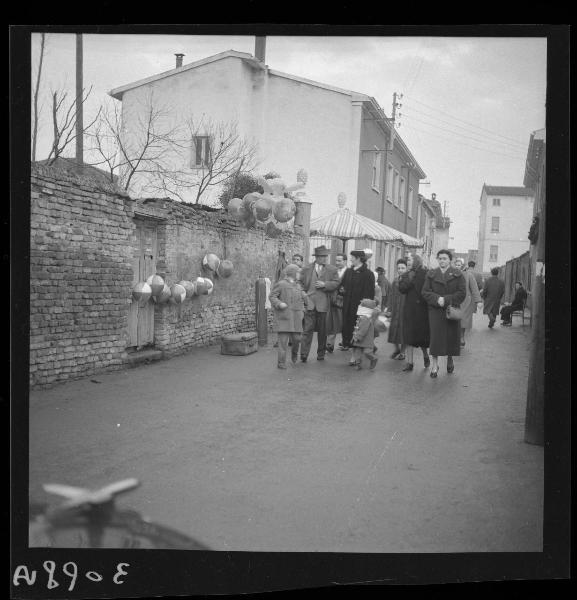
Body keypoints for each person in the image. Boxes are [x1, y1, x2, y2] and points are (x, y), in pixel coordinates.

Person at [421, 249, 466, 377]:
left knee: (451, 336)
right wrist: (437, 299)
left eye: (445, 258)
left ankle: (450, 358)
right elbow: (425, 292)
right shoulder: (431, 274)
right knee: (435, 338)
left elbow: (462, 293)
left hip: (451, 310)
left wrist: (445, 299)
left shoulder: (458, 274)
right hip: (435, 311)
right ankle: (435, 366)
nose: (442, 261)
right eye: (440, 258)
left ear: (450, 260)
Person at [299, 245, 340, 362]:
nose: (324, 258)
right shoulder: (307, 269)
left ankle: (321, 354)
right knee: (307, 330)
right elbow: (300, 283)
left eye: (325, 256)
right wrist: (302, 293)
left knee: (323, 331)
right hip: (310, 303)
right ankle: (304, 354)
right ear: (316, 257)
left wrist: (325, 284)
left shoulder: (332, 269)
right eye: (322, 256)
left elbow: (337, 283)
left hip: (324, 305)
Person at [269, 264, 307, 369]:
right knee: (283, 342)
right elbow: (272, 296)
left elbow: (301, 300)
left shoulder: (298, 286)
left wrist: (302, 310)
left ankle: (294, 353)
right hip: (284, 317)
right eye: (298, 272)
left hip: (296, 318)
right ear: (293, 273)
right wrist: (279, 303)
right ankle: (281, 363)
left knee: (297, 339)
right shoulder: (281, 284)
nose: (300, 274)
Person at [398, 253, 430, 371]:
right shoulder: (407, 274)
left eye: (410, 259)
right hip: (410, 309)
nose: (408, 261)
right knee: (409, 336)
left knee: (421, 337)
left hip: (422, 310)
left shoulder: (426, 273)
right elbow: (401, 289)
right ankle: (410, 363)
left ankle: (425, 355)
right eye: (407, 260)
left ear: (416, 260)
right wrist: (408, 279)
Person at [340, 250, 376, 354]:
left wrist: (365, 309)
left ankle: (355, 356)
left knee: (358, 330)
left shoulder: (368, 274)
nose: (350, 259)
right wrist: (342, 290)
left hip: (360, 308)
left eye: (352, 257)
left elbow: (370, 294)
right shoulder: (348, 272)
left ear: (359, 259)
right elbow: (342, 285)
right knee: (347, 329)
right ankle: (352, 350)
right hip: (347, 307)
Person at [454, 257, 483, 347]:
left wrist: (478, 301)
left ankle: (462, 337)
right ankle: (454, 337)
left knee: (463, 320)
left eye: (459, 265)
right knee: (454, 319)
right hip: (454, 301)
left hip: (466, 302)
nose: (457, 266)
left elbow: (474, 288)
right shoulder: (451, 274)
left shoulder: (469, 275)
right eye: (456, 265)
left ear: (462, 266)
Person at [385, 258, 407, 360]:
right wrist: (389, 308)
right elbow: (391, 295)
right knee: (393, 330)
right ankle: (396, 349)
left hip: (405, 310)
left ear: (406, 269)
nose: (400, 270)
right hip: (395, 309)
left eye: (403, 268)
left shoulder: (409, 282)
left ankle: (402, 352)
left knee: (403, 332)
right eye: (399, 268)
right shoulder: (395, 281)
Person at [325, 253, 348, 353]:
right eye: (336, 260)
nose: (337, 262)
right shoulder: (333, 271)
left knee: (345, 322)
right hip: (333, 300)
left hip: (345, 301)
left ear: (345, 261)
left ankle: (345, 342)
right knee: (332, 322)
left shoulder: (349, 272)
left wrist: (345, 290)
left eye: (340, 260)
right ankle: (330, 344)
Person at [350, 298, 379, 371]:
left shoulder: (365, 318)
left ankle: (374, 359)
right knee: (357, 352)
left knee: (367, 352)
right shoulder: (363, 317)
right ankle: (358, 364)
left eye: (361, 305)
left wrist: (357, 337)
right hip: (361, 339)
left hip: (365, 339)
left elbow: (363, 329)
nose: (359, 306)